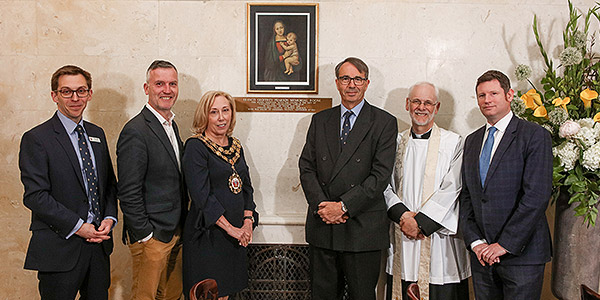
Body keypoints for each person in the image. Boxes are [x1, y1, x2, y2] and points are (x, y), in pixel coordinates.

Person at [299, 57, 397, 300]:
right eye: (345, 78)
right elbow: (306, 167)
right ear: (337, 83)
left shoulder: (384, 122)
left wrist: (342, 206)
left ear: (366, 83)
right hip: (323, 226)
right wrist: (323, 206)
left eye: (357, 79)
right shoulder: (320, 120)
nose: (351, 84)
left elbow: (380, 175)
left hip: (362, 229)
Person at [19, 65, 118, 299]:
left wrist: (109, 217)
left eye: (81, 91)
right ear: (54, 95)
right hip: (59, 248)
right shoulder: (37, 138)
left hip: (98, 247)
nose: (75, 98)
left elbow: (109, 185)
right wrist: (78, 226)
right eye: (66, 92)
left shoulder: (97, 134)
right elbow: (35, 196)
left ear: (89, 94)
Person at [459, 70, 552, 299]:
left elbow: (536, 196)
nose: (487, 100)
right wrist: (476, 242)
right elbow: (468, 196)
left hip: (522, 256)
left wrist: (504, 244)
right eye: (481, 95)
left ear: (509, 95)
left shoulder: (534, 135)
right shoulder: (472, 141)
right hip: (482, 257)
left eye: (493, 93)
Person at [384, 82, 470, 300]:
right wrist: (403, 216)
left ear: (437, 107)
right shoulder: (394, 142)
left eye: (427, 102)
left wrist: (421, 223)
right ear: (407, 104)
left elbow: (453, 187)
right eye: (416, 101)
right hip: (402, 233)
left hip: (438, 241)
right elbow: (383, 183)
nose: (421, 107)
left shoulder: (453, 143)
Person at [117, 60, 187, 300]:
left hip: (174, 231)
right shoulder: (135, 130)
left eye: (172, 84)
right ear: (147, 88)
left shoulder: (171, 126)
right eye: (159, 84)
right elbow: (127, 191)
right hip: (152, 238)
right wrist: (146, 235)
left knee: (171, 296)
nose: (167, 90)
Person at [182, 90, 258, 300]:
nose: (221, 117)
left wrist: (247, 222)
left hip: (234, 238)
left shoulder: (236, 146)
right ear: (204, 116)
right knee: (209, 295)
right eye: (214, 112)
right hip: (208, 237)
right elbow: (202, 196)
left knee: (226, 294)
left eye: (225, 110)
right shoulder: (196, 147)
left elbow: (246, 188)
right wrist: (231, 228)